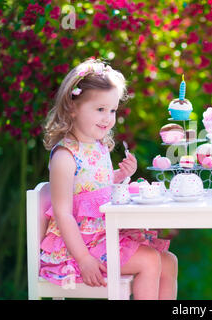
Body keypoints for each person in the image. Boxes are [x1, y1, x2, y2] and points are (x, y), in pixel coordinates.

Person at [40, 58, 178, 300]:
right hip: (80, 250)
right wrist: (84, 259)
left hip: (105, 236)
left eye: (112, 110)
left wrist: (120, 176)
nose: (108, 118)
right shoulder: (65, 156)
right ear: (72, 107)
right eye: (100, 109)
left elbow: (93, 189)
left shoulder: (99, 147)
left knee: (169, 261)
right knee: (149, 260)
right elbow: (63, 213)